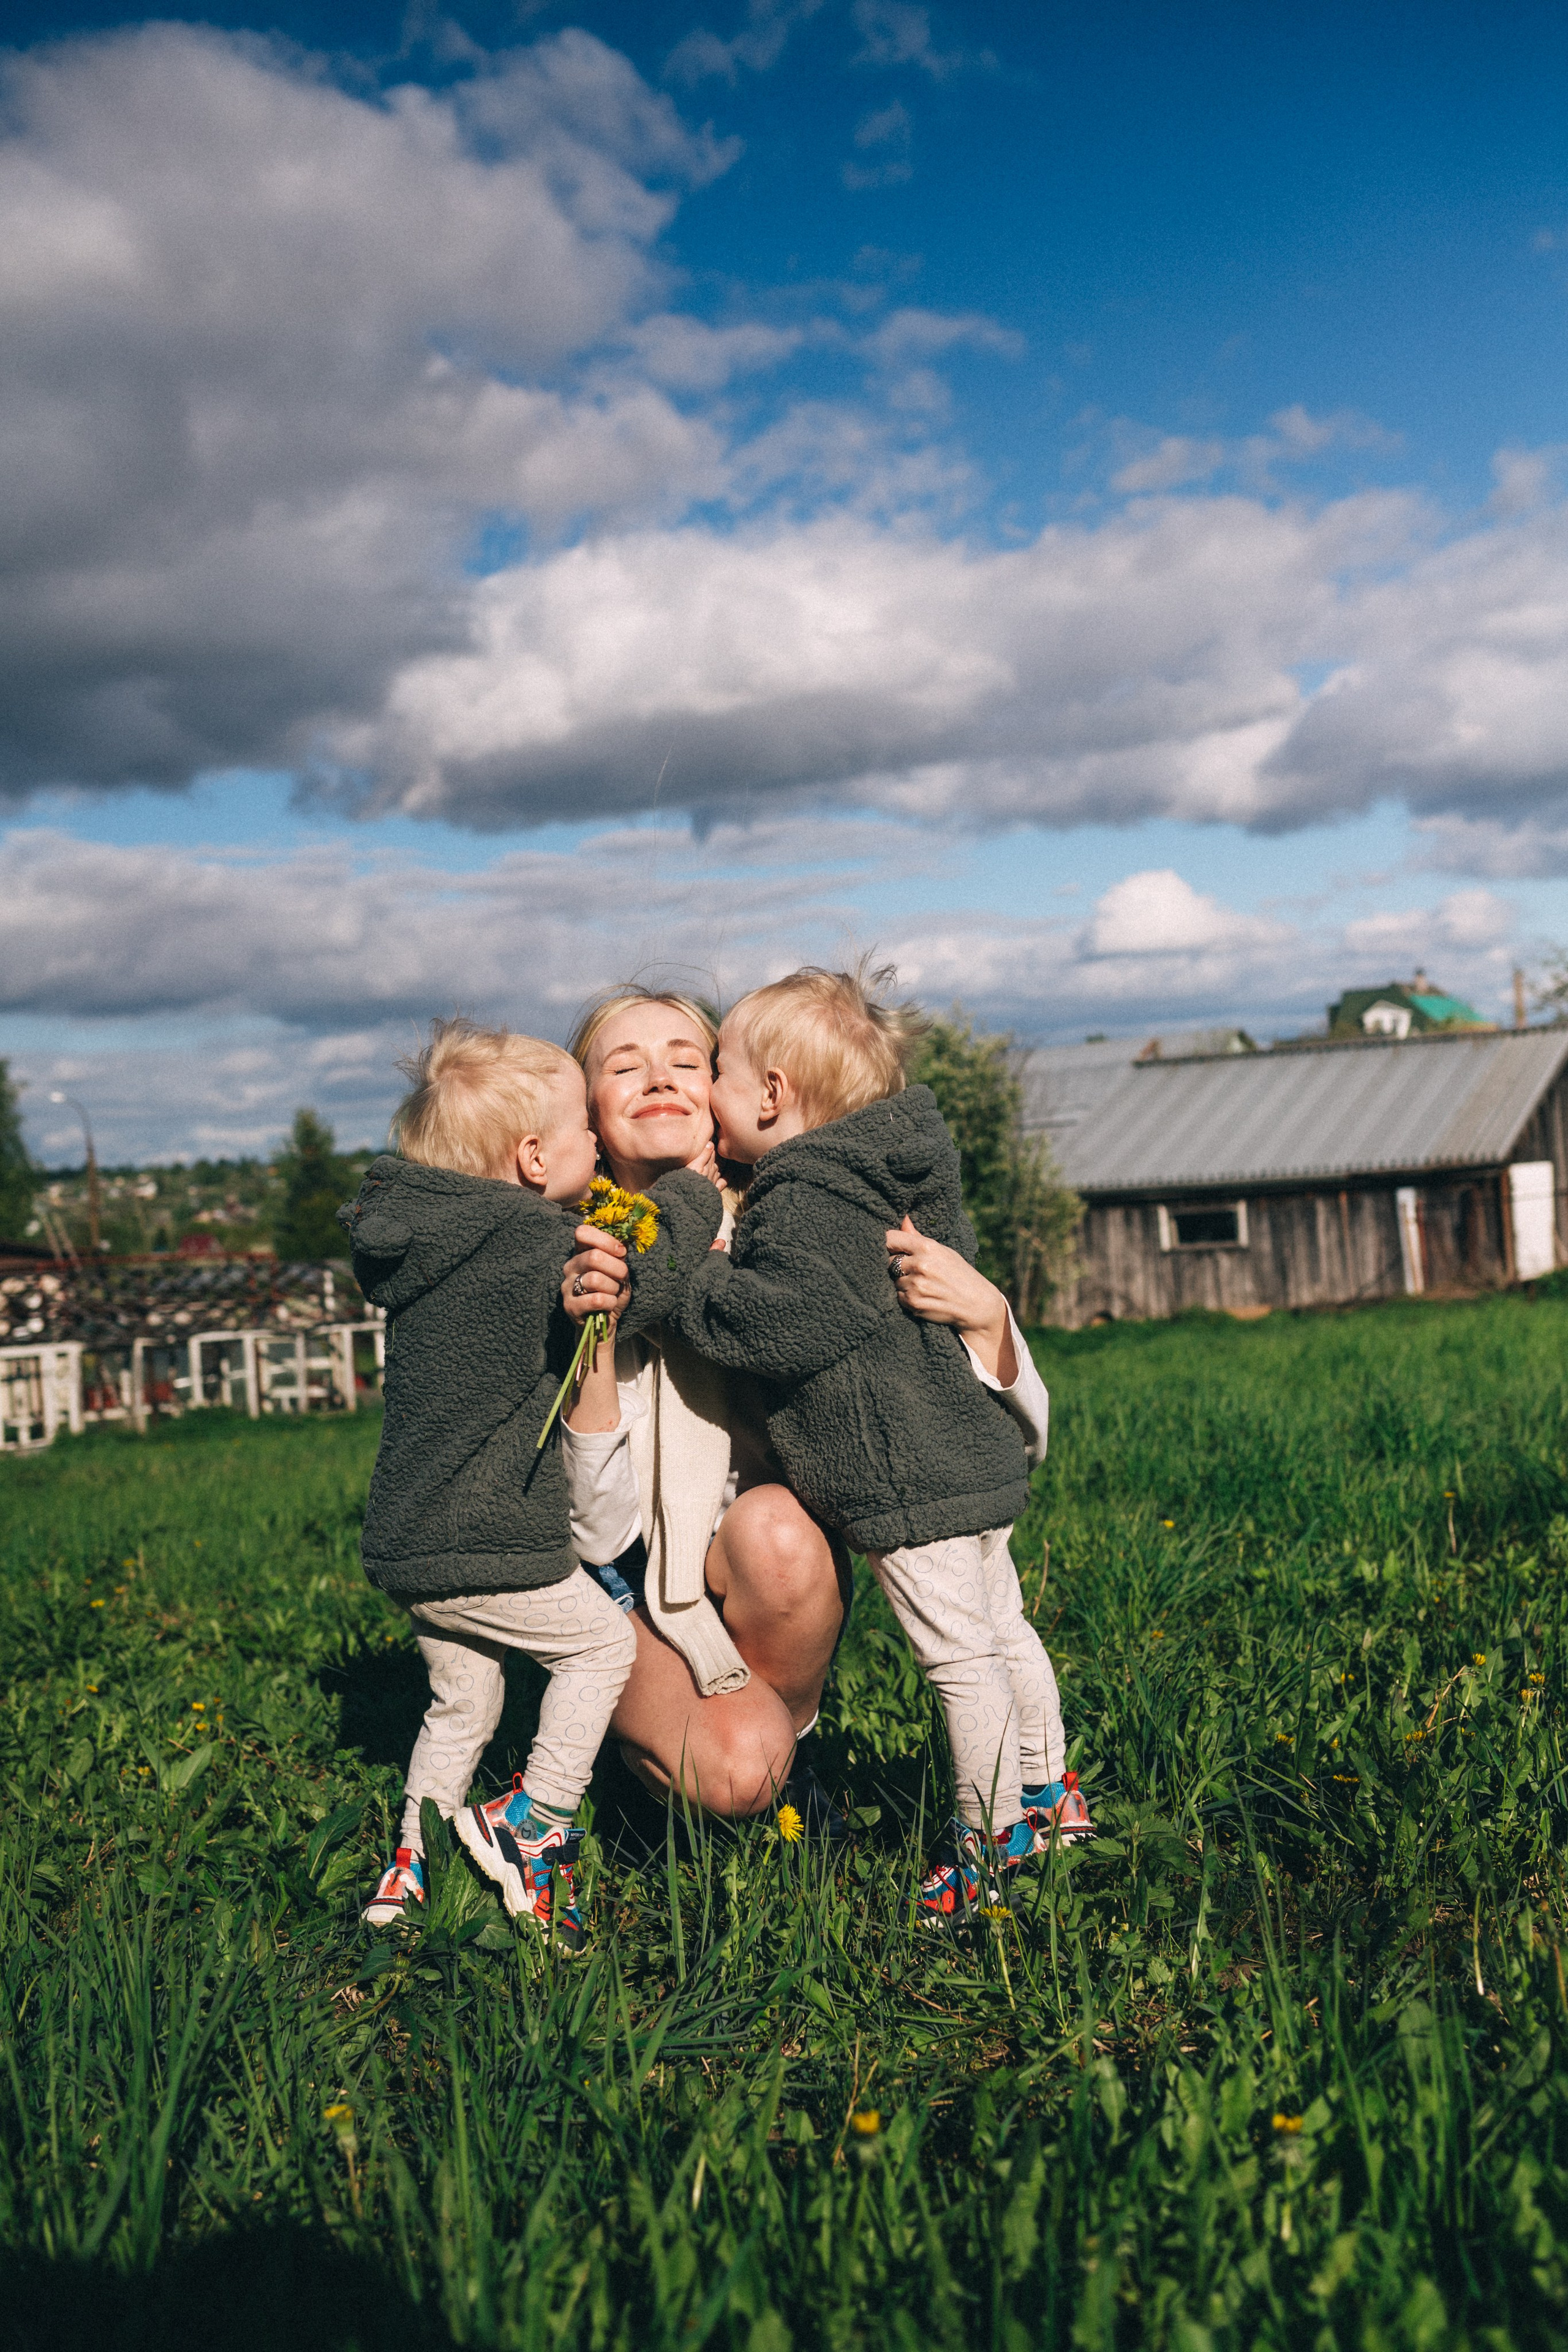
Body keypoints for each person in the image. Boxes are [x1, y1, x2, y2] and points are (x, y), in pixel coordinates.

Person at [614, 963, 1091, 1928]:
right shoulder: (873, 1177)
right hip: (956, 1464)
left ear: (768, 1095)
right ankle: (1047, 1796)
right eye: (626, 1065)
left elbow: (776, 1323)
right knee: (1004, 1636)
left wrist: (685, 1278)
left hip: (904, 1478)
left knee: (963, 1660)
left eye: (700, 1065)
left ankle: (990, 1836)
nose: (672, 1081)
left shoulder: (798, 1202)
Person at [342, 1017, 637, 1956]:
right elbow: (626, 1281)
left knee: (464, 1702)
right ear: (534, 1157)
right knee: (601, 1647)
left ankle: (411, 1868)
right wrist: (679, 1205)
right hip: (486, 1535)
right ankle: (533, 1824)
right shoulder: (533, 1241)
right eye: (586, 1125)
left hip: (410, 1542)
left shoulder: (432, 1246)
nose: (599, 1141)